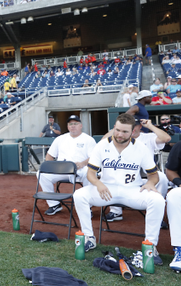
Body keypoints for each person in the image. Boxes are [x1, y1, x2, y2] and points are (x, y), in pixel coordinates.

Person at [73, 113, 164, 265]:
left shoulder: (141, 148)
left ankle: (150, 246)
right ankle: (89, 237)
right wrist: (98, 183)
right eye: (118, 130)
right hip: (106, 190)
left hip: (132, 190)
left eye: (125, 132)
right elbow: (90, 174)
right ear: (114, 127)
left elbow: (154, 175)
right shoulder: (102, 145)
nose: (120, 134)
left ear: (133, 132)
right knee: (79, 194)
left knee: (158, 200)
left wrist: (150, 183)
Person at [103, 117, 171, 223]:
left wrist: (150, 126)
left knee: (162, 177)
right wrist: (116, 128)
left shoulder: (148, 137)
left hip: (147, 176)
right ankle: (115, 211)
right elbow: (103, 141)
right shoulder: (119, 138)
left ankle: (156, 212)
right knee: (110, 174)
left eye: (134, 126)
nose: (132, 128)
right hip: (126, 176)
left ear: (140, 126)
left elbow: (166, 138)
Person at [38, 115, 96, 215]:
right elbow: (49, 155)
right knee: (41, 173)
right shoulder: (60, 139)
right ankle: (54, 204)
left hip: (80, 169)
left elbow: (94, 157)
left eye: (75, 124)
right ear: (68, 126)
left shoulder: (88, 139)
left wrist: (82, 163)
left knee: (89, 172)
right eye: (70, 124)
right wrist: (51, 166)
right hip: (61, 169)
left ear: (81, 125)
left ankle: (87, 207)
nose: (73, 126)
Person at [165, 140, 181, 272]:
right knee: (174, 195)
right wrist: (180, 183)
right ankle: (180, 249)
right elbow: (170, 171)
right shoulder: (180, 146)